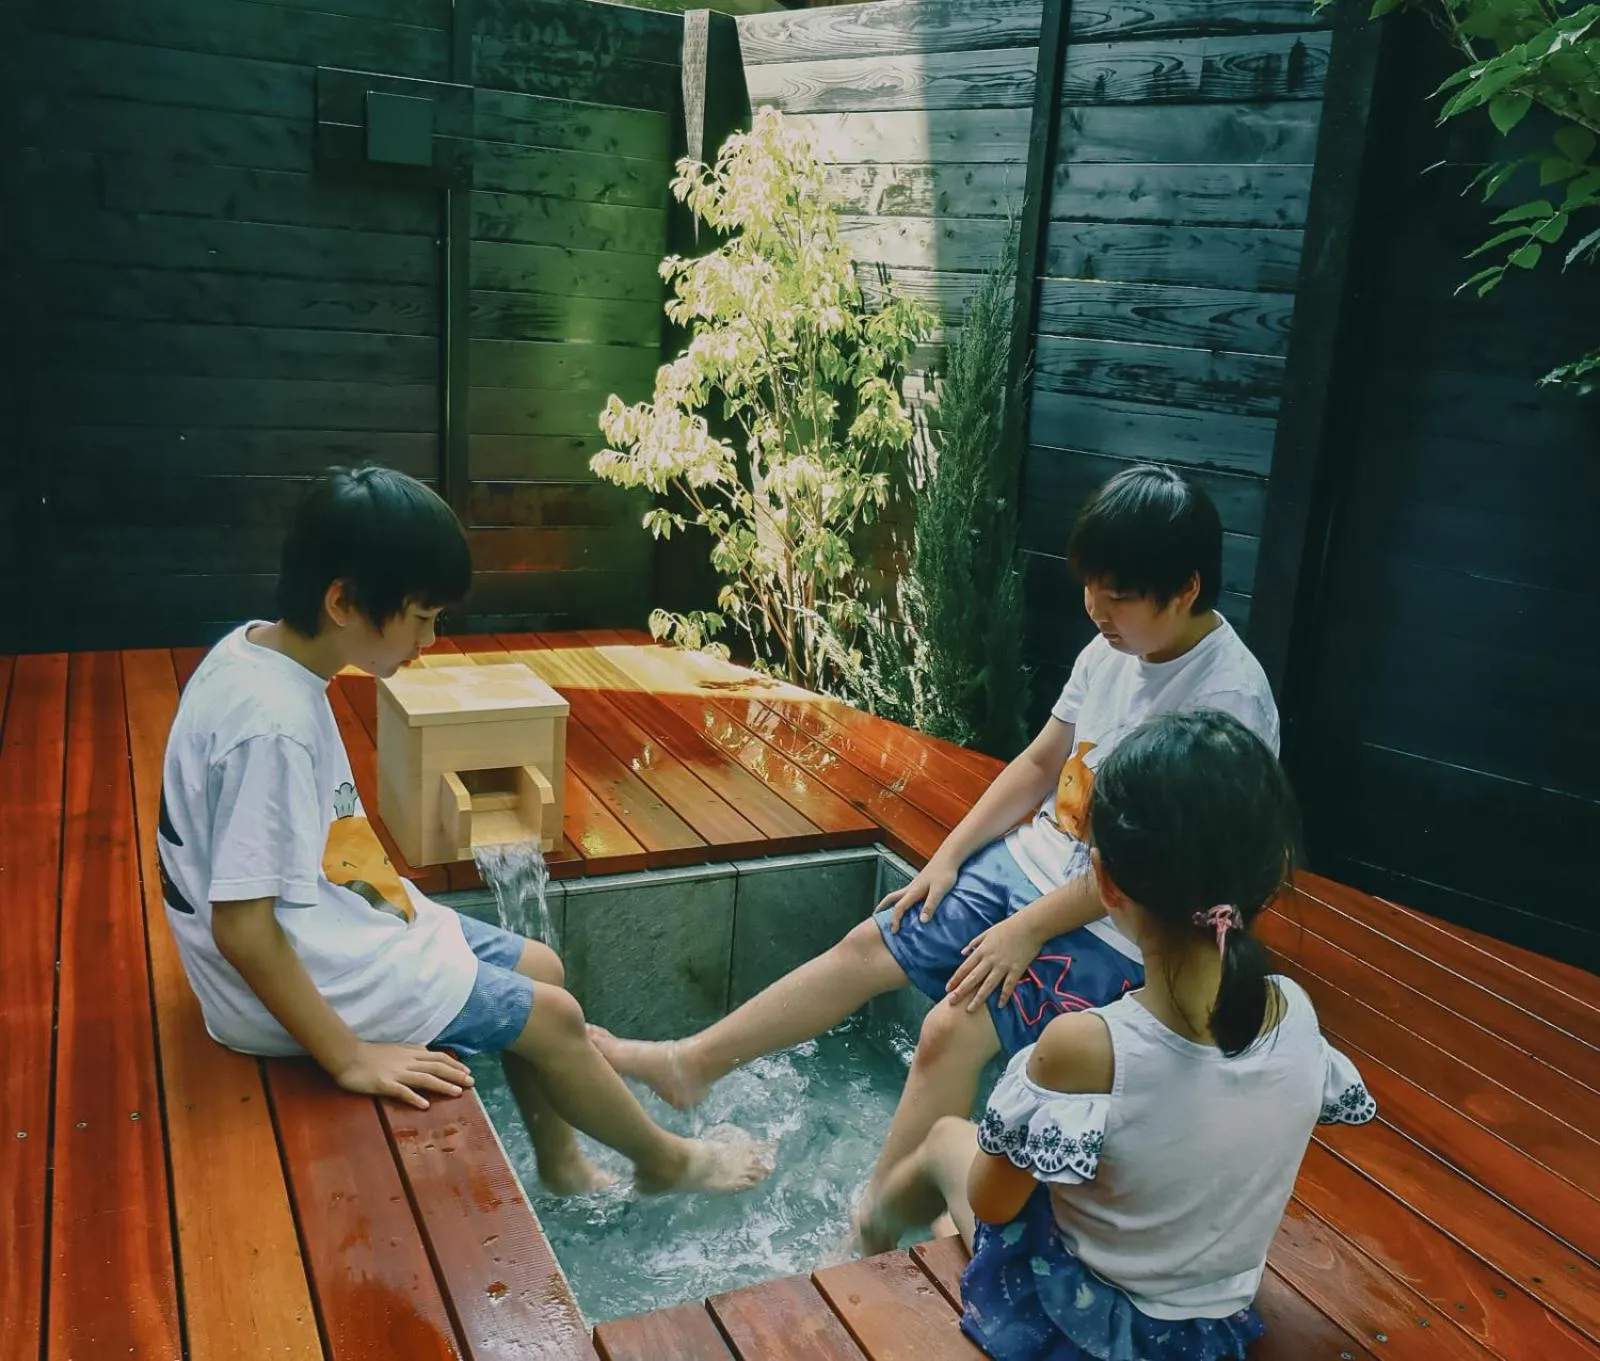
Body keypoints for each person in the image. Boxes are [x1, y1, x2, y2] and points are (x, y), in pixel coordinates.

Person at [593, 464, 1279, 1208]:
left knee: (949, 1029)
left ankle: (874, 1221)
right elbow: (1042, 760)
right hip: (1041, 865)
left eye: (1117, 596)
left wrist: (1024, 928)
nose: (1094, 609)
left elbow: (1156, 874)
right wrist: (949, 856)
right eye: (1090, 587)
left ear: (1184, 589)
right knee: (878, 935)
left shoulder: (1228, 701)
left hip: (1119, 922)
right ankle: (689, 1062)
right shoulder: (1109, 646)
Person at [157, 465, 770, 1196]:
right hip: (282, 988)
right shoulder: (273, 727)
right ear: (344, 601)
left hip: (329, 926)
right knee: (553, 1015)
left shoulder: (255, 654)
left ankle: (562, 1163)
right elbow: (244, 929)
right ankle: (669, 1161)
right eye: (420, 616)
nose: (431, 638)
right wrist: (349, 1055)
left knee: (539, 965)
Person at [854, 710, 1377, 1361]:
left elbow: (994, 1202)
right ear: (1271, 874)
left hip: (1088, 1326)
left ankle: (867, 1228)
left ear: (1104, 882)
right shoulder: (1295, 1014)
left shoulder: (1088, 1045)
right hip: (1206, 1330)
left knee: (941, 1141)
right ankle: (908, 1225)